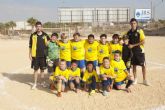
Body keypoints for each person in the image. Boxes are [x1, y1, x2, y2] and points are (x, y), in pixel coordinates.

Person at [127, 18, 149, 85]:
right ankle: (135, 79)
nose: (133, 24)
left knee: (143, 66)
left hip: (140, 51)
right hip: (132, 52)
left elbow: (143, 41)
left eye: (134, 23)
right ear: (130, 24)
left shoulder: (140, 31)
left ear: (136, 24)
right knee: (134, 66)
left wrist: (133, 45)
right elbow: (122, 37)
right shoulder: (129, 32)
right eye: (132, 23)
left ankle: (144, 80)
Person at [29, 21, 50, 89]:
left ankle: (42, 82)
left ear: (41, 27)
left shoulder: (45, 35)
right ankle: (35, 83)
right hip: (35, 55)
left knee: (42, 70)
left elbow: (50, 43)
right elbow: (30, 45)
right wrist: (29, 54)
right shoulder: (33, 35)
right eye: (37, 26)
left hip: (43, 56)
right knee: (35, 70)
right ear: (35, 27)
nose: (38, 28)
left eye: (39, 26)